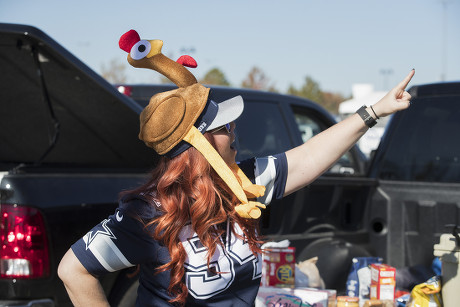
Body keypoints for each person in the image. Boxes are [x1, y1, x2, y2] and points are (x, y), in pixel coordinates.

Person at [58, 29, 415, 306]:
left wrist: (373, 112)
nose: (234, 133)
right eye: (225, 128)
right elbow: (73, 270)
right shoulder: (150, 211)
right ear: (200, 144)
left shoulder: (245, 182)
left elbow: (308, 157)